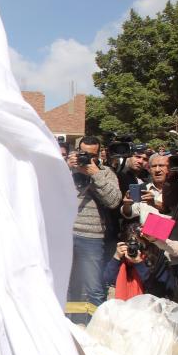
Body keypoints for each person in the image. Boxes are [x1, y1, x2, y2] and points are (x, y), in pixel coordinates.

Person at [66, 136, 121, 321]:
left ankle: (96, 330)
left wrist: (95, 173)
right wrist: (67, 168)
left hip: (92, 237)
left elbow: (114, 201)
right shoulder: (65, 170)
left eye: (92, 155)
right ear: (76, 152)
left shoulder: (105, 173)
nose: (87, 158)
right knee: (66, 284)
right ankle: (67, 327)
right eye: (83, 154)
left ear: (99, 154)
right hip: (65, 234)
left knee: (94, 288)